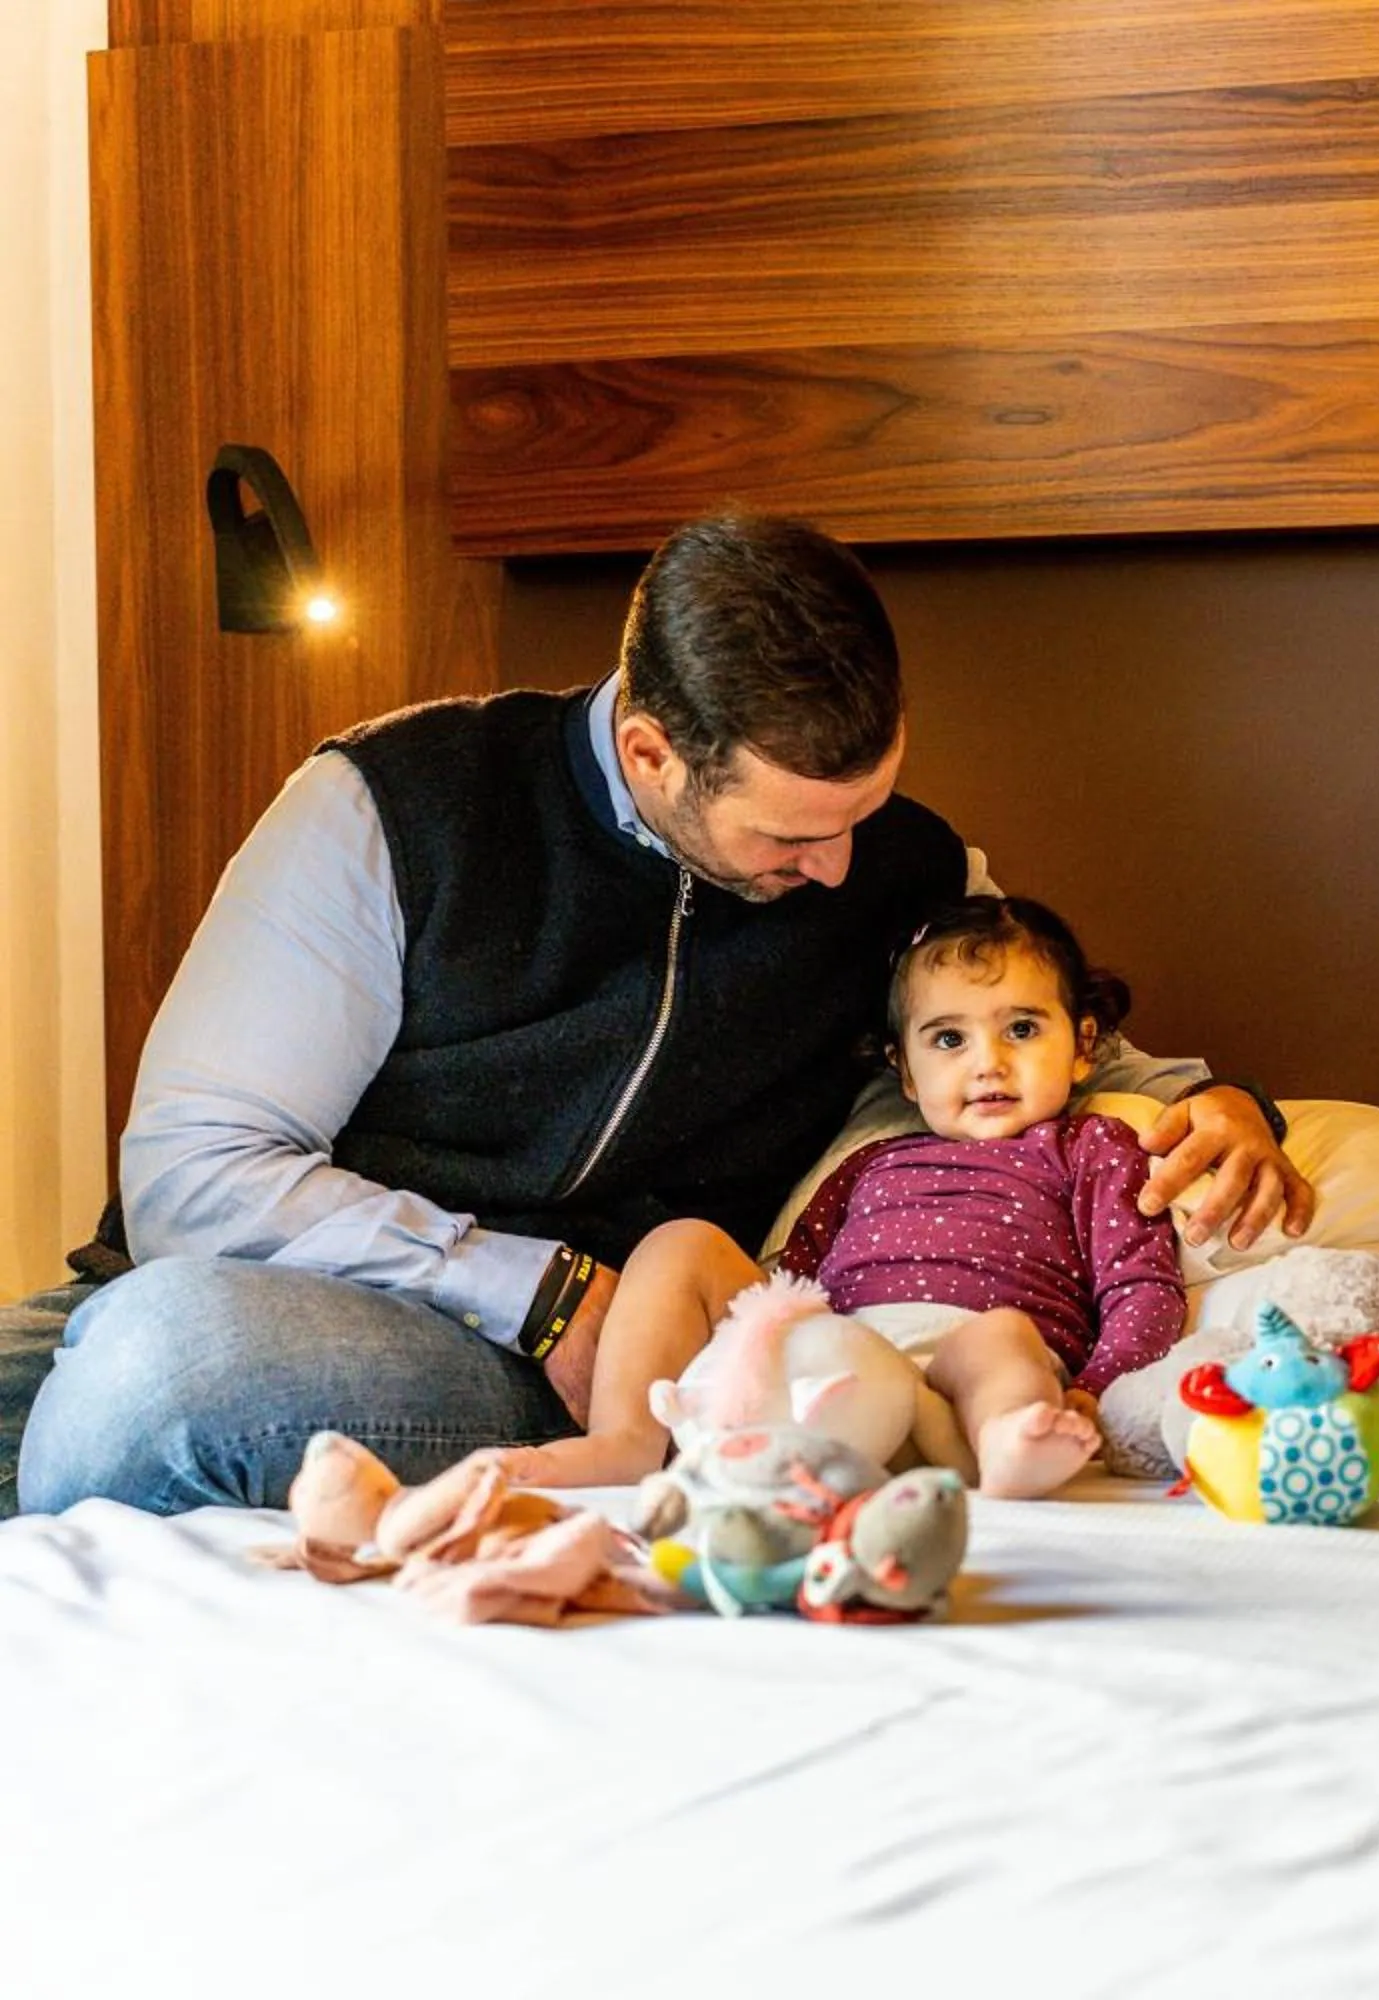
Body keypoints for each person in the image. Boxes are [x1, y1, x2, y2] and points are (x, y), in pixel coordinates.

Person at [18, 513, 1308, 1516]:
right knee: (130, 1343)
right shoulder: (398, 807)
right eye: (796, 831)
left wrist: (1229, 1107)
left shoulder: (909, 868)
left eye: (865, 808)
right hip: (383, 1297)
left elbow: (1064, 1050)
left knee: (156, 1370)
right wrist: (540, 1290)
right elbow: (193, 1175)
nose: (843, 870)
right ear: (651, 751)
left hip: (605, 1368)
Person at [506, 894, 1183, 1499]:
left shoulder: (1092, 1146)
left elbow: (1142, 1285)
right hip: (840, 1376)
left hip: (957, 1404)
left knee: (1000, 1336)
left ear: (1083, 1045)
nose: (988, 1063)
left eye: (1023, 1030)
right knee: (682, 1242)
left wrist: (1095, 1391)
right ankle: (625, 1442)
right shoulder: (871, 1162)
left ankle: (1013, 1446)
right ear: (905, 1072)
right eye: (949, 1038)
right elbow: (792, 1278)